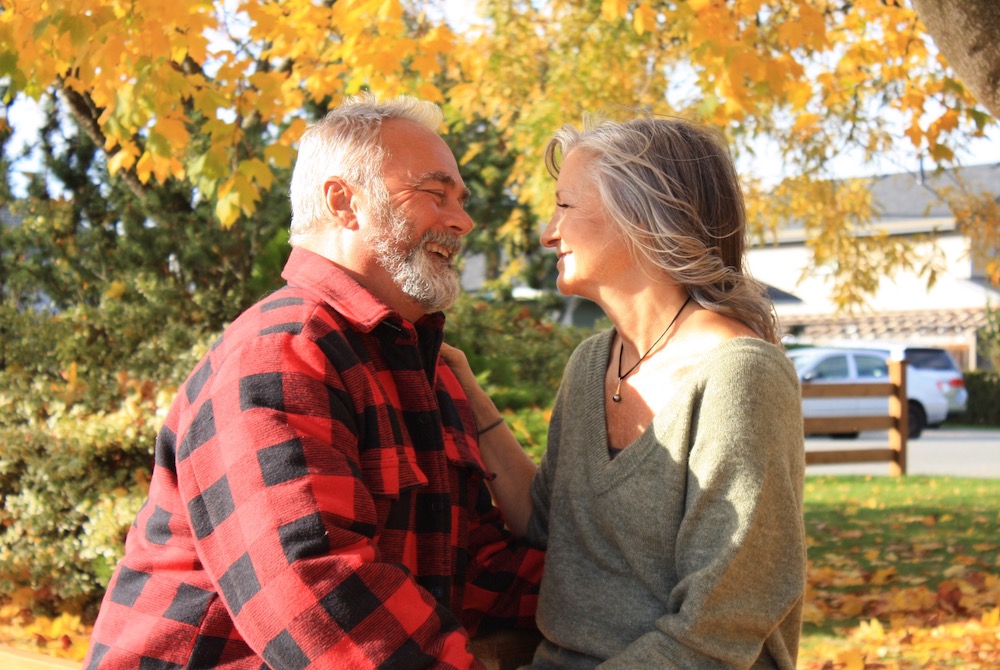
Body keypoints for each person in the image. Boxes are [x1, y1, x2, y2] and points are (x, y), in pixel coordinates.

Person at [84, 94, 543, 670]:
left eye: (461, 199)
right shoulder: (283, 352)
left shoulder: (426, 369)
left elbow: (474, 567)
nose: (462, 220)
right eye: (435, 192)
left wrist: (627, 602)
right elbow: (320, 600)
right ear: (343, 201)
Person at [442, 114, 806, 669]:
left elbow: (717, 631)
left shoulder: (738, 376)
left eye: (564, 206)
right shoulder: (591, 364)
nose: (547, 231)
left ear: (642, 214)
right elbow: (548, 529)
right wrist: (468, 395)